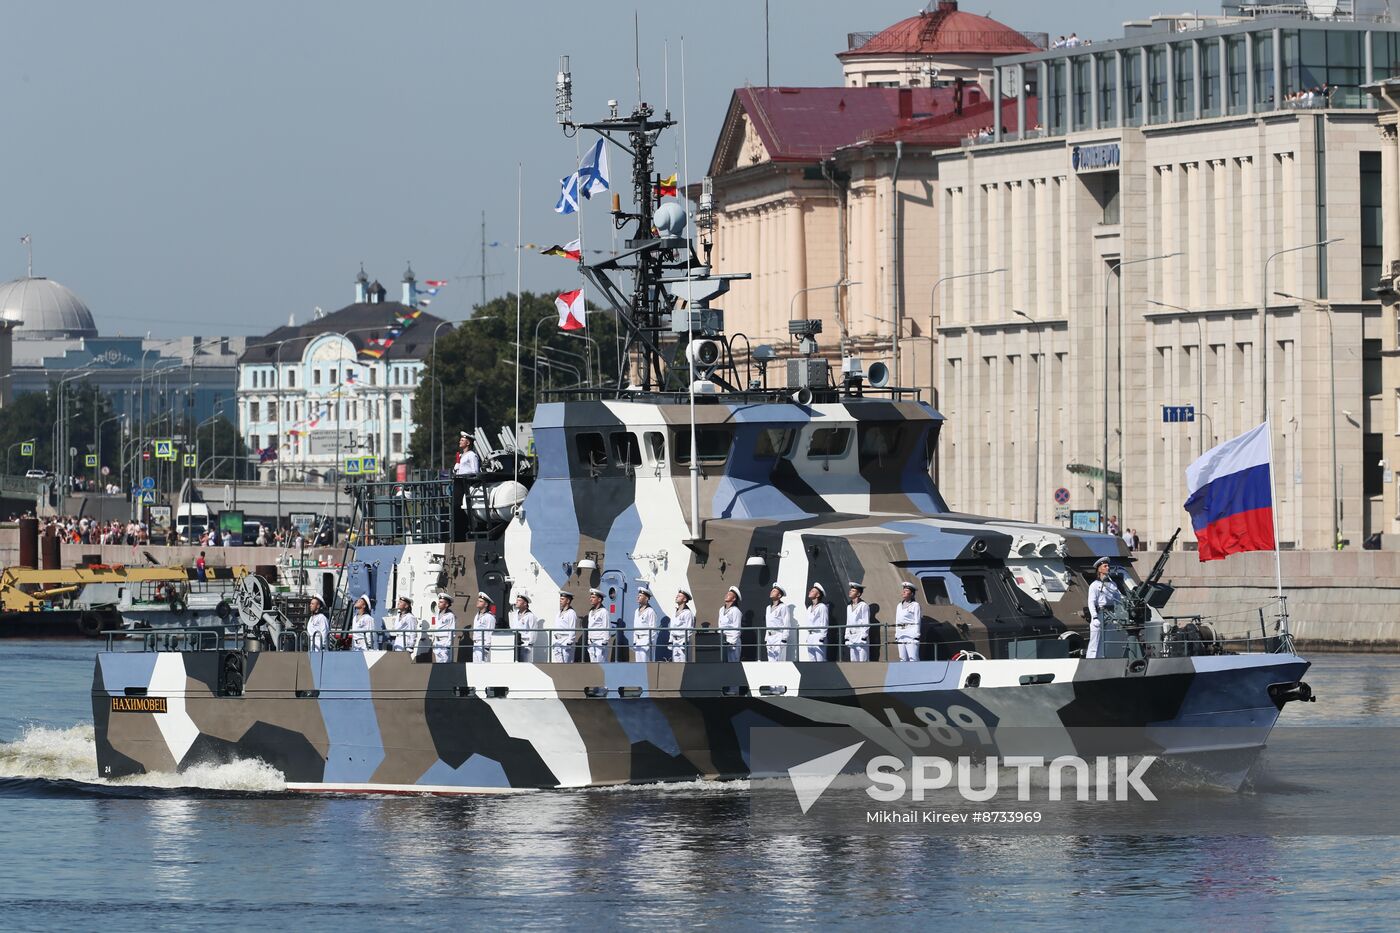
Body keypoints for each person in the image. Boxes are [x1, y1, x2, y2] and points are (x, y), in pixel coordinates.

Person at [1086, 557, 1121, 659]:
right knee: (1095, 641)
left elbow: (1118, 599)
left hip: (1110, 615)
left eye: (1108, 566)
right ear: (1099, 569)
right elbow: (1091, 602)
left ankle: (1101, 659)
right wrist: (1095, 617)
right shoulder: (1094, 585)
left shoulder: (1113, 584)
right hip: (1100, 613)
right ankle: (1091, 660)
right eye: (1105, 566)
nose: (1108, 568)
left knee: (1106, 641)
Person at [452, 432, 481, 540]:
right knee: (456, 509)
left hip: (465, 483)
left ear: (468, 442)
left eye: (462, 440)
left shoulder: (472, 455)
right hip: (458, 483)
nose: (460, 441)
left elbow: (475, 471)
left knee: (462, 507)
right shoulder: (461, 455)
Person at [764, 585, 792, 662]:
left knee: (779, 661)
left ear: (779, 595)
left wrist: (784, 639)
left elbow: (786, 623)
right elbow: (768, 624)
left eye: (774, 591)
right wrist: (766, 638)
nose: (771, 592)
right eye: (772, 590)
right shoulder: (768, 608)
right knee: (770, 660)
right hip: (770, 638)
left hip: (778, 636)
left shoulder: (783, 607)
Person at [801, 583, 829, 661]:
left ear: (817, 595)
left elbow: (824, 622)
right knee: (812, 660)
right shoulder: (809, 608)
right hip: (810, 636)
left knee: (821, 660)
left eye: (813, 591)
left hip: (818, 636)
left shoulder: (822, 607)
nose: (810, 592)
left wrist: (822, 637)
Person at [894, 581, 921, 661]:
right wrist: (897, 633)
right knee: (902, 658)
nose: (904, 592)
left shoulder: (915, 605)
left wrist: (916, 635)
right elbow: (897, 620)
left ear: (912, 594)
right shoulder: (899, 605)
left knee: (913, 657)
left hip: (911, 634)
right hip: (901, 634)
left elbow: (917, 620)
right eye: (904, 590)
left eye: (906, 590)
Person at [845, 582, 870, 662]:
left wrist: (864, 637)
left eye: (853, 590)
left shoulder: (863, 605)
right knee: (853, 660)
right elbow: (848, 622)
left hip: (860, 636)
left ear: (858, 594)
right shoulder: (849, 607)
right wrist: (847, 636)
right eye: (850, 590)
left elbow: (866, 622)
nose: (850, 592)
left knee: (863, 660)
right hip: (852, 637)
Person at [429, 594, 457, 663]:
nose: (439, 603)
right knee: (438, 662)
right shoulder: (437, 614)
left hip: (444, 641)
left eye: (441, 602)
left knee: (445, 662)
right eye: (439, 602)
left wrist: (448, 644)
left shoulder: (450, 615)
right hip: (437, 642)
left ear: (446, 604)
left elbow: (452, 630)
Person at [552, 591, 579, 663]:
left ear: (568, 601)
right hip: (557, 641)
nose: (560, 601)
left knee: (566, 665)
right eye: (560, 599)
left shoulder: (571, 613)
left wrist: (569, 642)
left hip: (565, 641)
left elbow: (572, 629)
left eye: (562, 599)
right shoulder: (559, 613)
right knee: (559, 664)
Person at [632, 587, 657, 662]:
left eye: (640, 596)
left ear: (646, 598)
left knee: (646, 663)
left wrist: (648, 642)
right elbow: (635, 627)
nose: (638, 597)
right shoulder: (636, 611)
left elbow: (653, 629)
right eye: (638, 595)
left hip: (646, 640)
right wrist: (634, 640)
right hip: (638, 641)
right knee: (638, 663)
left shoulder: (650, 611)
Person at [718, 585, 742, 662]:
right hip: (723, 641)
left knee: (732, 663)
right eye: (727, 593)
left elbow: (737, 628)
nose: (727, 595)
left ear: (734, 598)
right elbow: (720, 626)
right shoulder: (721, 610)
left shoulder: (735, 611)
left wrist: (732, 643)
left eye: (730, 594)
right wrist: (719, 639)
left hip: (732, 642)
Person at [511, 592, 537, 662]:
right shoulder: (515, 615)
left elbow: (533, 630)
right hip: (516, 642)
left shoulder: (530, 616)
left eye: (519, 600)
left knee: (526, 663)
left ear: (525, 603)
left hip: (526, 643)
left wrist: (530, 643)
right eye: (517, 600)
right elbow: (513, 628)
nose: (516, 602)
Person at [586, 588, 610, 662]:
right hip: (591, 641)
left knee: (600, 663)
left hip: (600, 641)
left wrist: (605, 641)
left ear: (599, 599)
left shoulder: (603, 612)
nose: (591, 599)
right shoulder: (591, 612)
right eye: (591, 597)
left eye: (593, 597)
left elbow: (606, 626)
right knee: (593, 663)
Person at [671, 588, 694, 662]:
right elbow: (672, 628)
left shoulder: (688, 613)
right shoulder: (674, 612)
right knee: (675, 663)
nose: (676, 597)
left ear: (684, 599)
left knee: (683, 662)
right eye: (677, 595)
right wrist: (670, 640)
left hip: (682, 642)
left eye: (679, 596)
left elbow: (689, 629)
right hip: (675, 642)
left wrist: (685, 641)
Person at [472, 592, 496, 663]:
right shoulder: (477, 615)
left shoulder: (489, 617)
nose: (478, 602)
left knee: (482, 665)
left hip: (483, 644)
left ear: (486, 604)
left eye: (481, 601)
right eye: (478, 600)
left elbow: (490, 632)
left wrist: (487, 647)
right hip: (476, 644)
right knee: (475, 665)